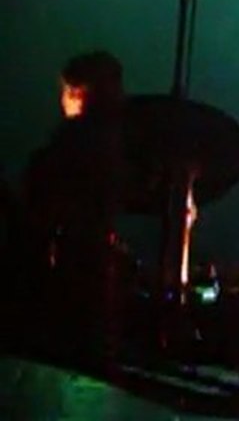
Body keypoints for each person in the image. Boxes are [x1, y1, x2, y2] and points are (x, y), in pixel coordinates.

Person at [18, 51, 129, 360]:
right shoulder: (114, 147)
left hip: (60, 279)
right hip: (90, 271)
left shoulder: (64, 148)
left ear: (75, 93)